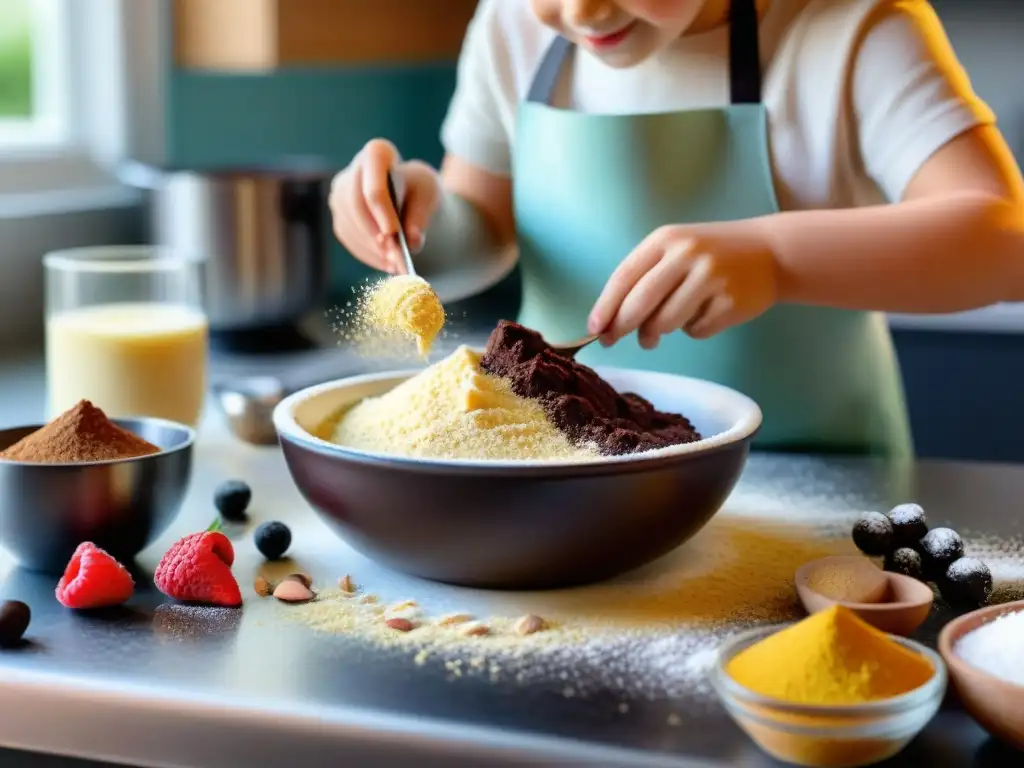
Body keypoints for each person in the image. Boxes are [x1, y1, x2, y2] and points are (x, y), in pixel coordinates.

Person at [329, 0, 1024, 459]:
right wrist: (414, 218)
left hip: (812, 485)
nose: (582, 10)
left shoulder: (852, 28)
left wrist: (776, 258)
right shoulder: (515, 27)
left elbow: (1005, 240)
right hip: (570, 479)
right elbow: (482, 230)